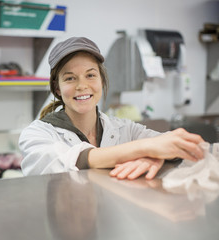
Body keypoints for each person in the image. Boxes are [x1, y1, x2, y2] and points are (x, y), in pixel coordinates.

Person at [18, 37, 204, 180]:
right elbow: (70, 160)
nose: (82, 85)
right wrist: (144, 148)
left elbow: (174, 147)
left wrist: (153, 157)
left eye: (90, 75)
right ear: (57, 88)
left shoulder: (125, 129)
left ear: (102, 80)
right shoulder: (37, 134)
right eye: (70, 78)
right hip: (65, 222)